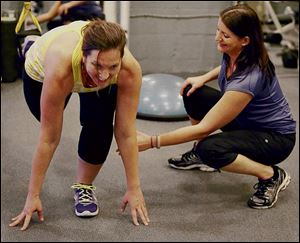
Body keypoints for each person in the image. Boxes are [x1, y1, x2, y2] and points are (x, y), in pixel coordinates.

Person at [137, 4, 296, 210]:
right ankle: (199, 155)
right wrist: (202, 78)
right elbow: (225, 66)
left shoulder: (250, 78)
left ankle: (271, 175)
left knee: (210, 148)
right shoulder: (237, 52)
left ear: (245, 40)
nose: (217, 38)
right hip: (248, 122)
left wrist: (151, 141)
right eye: (218, 30)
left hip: (275, 138)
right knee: (192, 92)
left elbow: (204, 128)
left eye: (225, 35)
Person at [9, 19, 150, 231]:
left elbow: (126, 133)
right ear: (84, 57)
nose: (104, 74)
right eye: (97, 65)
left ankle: (83, 186)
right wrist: (33, 195)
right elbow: (49, 139)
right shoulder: (60, 68)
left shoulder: (128, 71)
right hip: (41, 69)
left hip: (82, 74)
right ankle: (31, 45)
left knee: (100, 127)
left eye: (113, 66)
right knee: (50, 124)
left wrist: (134, 188)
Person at [27, 1, 105, 31]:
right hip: (75, 22)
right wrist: (28, 21)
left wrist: (69, 4)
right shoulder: (60, 3)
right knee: (52, 25)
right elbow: (49, 15)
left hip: (93, 18)